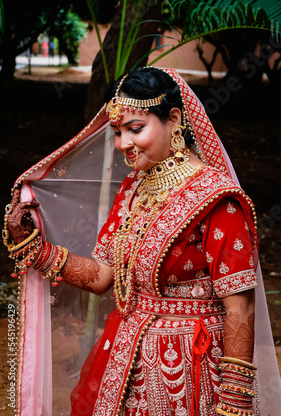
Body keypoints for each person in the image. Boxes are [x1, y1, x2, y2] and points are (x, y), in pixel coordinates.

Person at [3, 67, 281, 416]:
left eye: (136, 129)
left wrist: (236, 402)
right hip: (125, 361)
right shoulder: (133, 190)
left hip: (191, 372)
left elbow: (240, 308)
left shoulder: (217, 201)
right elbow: (104, 275)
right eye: (118, 132)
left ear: (175, 119)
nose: (123, 144)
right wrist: (36, 249)